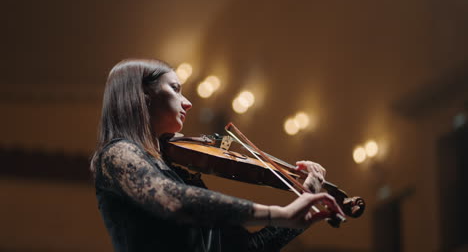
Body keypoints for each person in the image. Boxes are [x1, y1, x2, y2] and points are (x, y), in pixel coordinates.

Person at [90, 59, 344, 252]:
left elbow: (248, 248)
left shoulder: (177, 172)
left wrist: (304, 201)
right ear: (142, 95)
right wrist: (278, 213)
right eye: (175, 89)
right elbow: (174, 201)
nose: (187, 102)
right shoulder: (117, 154)